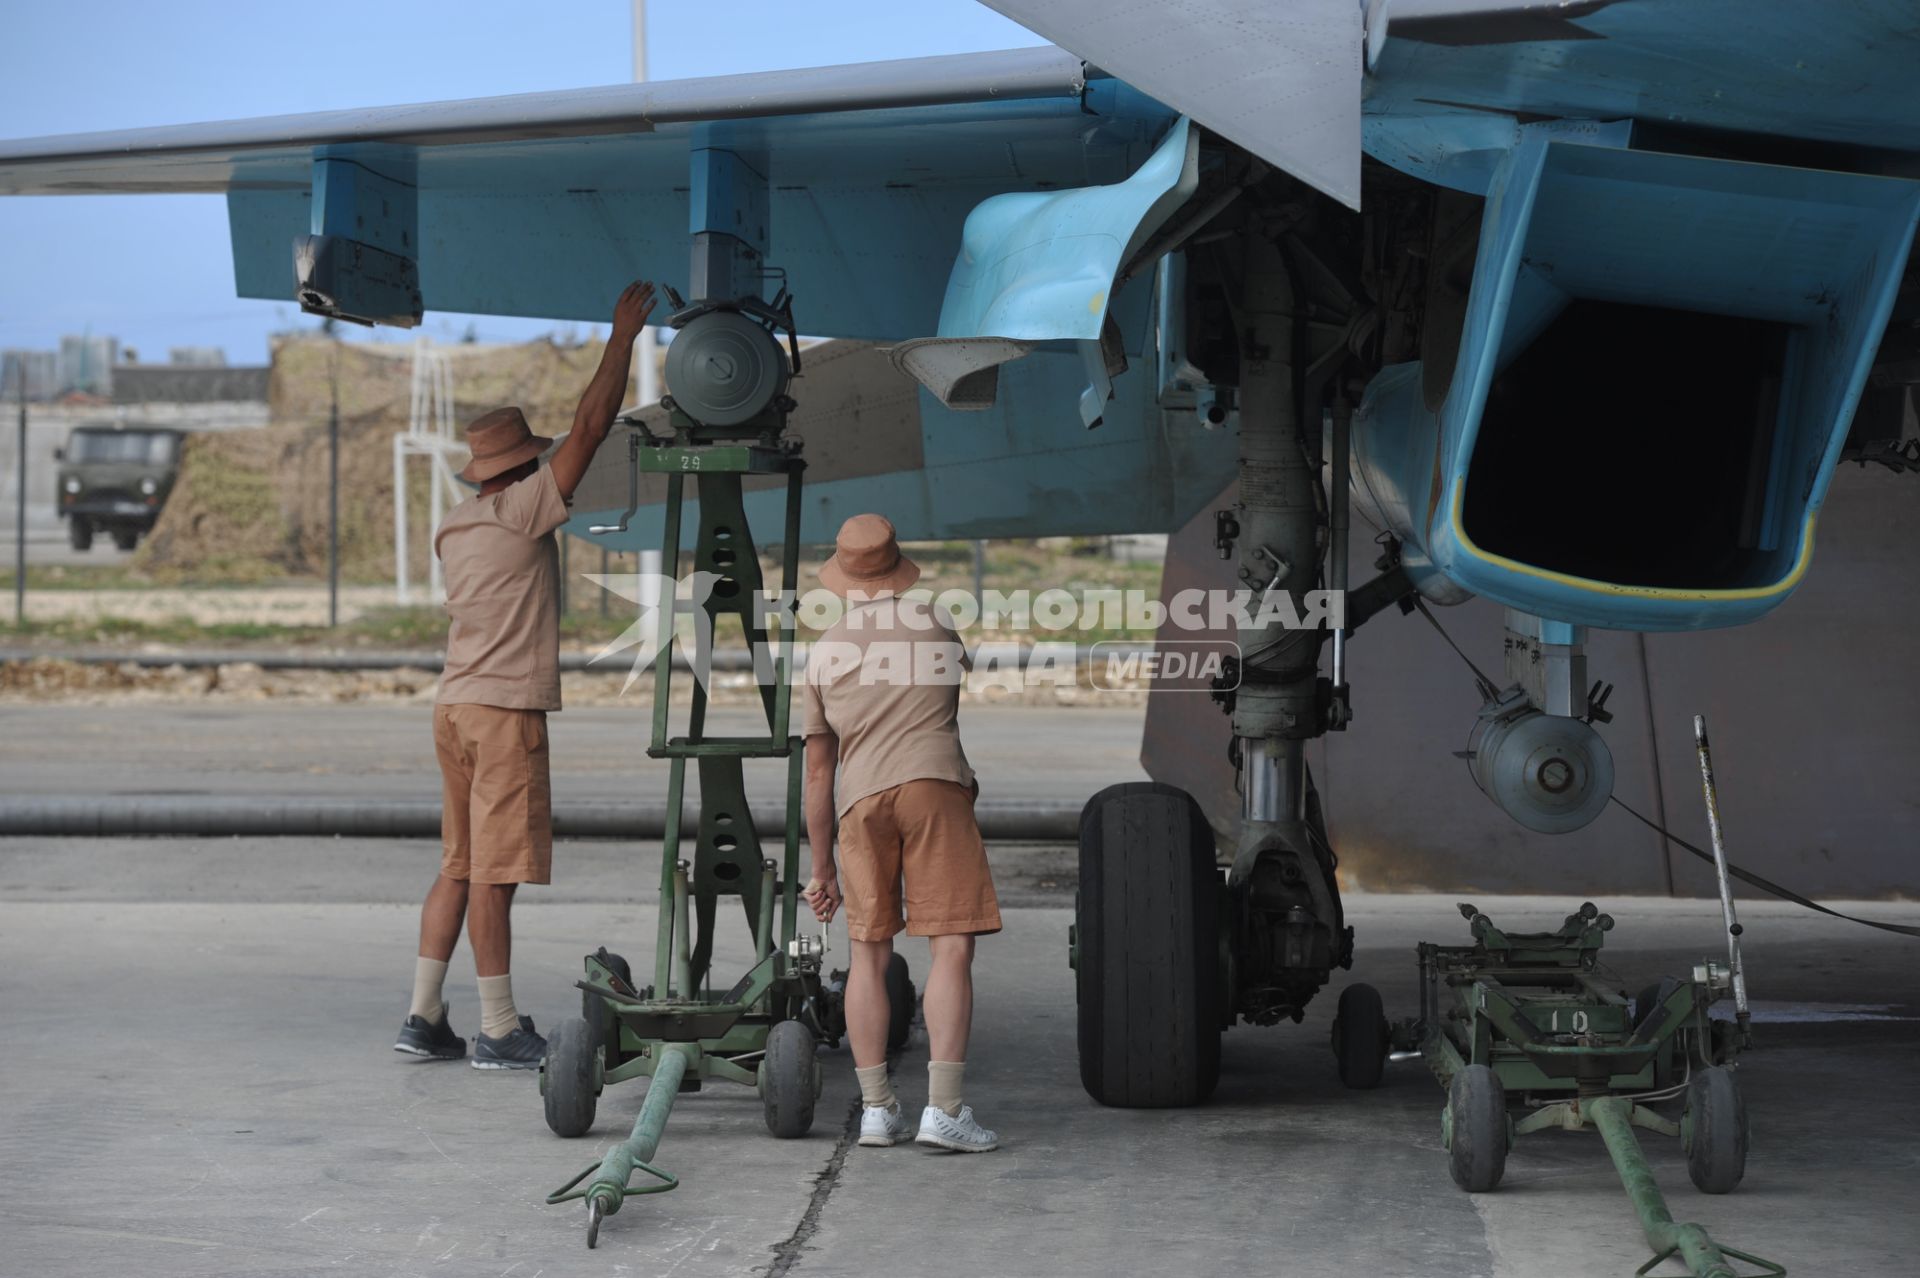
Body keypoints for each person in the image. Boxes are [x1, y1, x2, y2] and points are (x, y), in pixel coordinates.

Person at [394, 280, 657, 1069]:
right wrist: (622, 339)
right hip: (504, 714)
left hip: (454, 707)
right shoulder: (521, 512)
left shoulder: (456, 524)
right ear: (524, 470)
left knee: (459, 864)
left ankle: (423, 1016)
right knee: (495, 876)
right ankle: (500, 1028)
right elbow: (591, 424)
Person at [800, 514, 1002, 1151]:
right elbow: (947, 703)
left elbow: (816, 772)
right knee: (951, 946)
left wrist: (821, 869)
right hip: (934, 786)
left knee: (868, 953)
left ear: (842, 577)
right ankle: (944, 1111)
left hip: (859, 800)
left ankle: (878, 1110)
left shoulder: (824, 651)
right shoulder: (936, 622)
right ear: (896, 566)